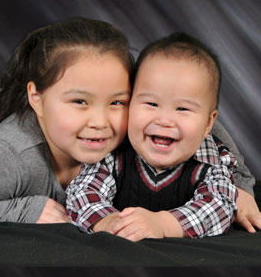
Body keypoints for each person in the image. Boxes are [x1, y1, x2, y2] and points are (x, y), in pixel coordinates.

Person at [66, 32, 260, 241]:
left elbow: (219, 206)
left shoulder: (210, 163)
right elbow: (81, 192)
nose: (164, 120)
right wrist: (109, 221)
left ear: (208, 123)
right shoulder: (114, 153)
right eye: (151, 104)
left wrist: (164, 224)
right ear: (130, 103)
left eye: (182, 108)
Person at [0, 17, 134, 225]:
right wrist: (21, 211)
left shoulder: (129, 146)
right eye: (79, 101)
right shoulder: (9, 157)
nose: (100, 122)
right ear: (37, 99)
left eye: (117, 102)